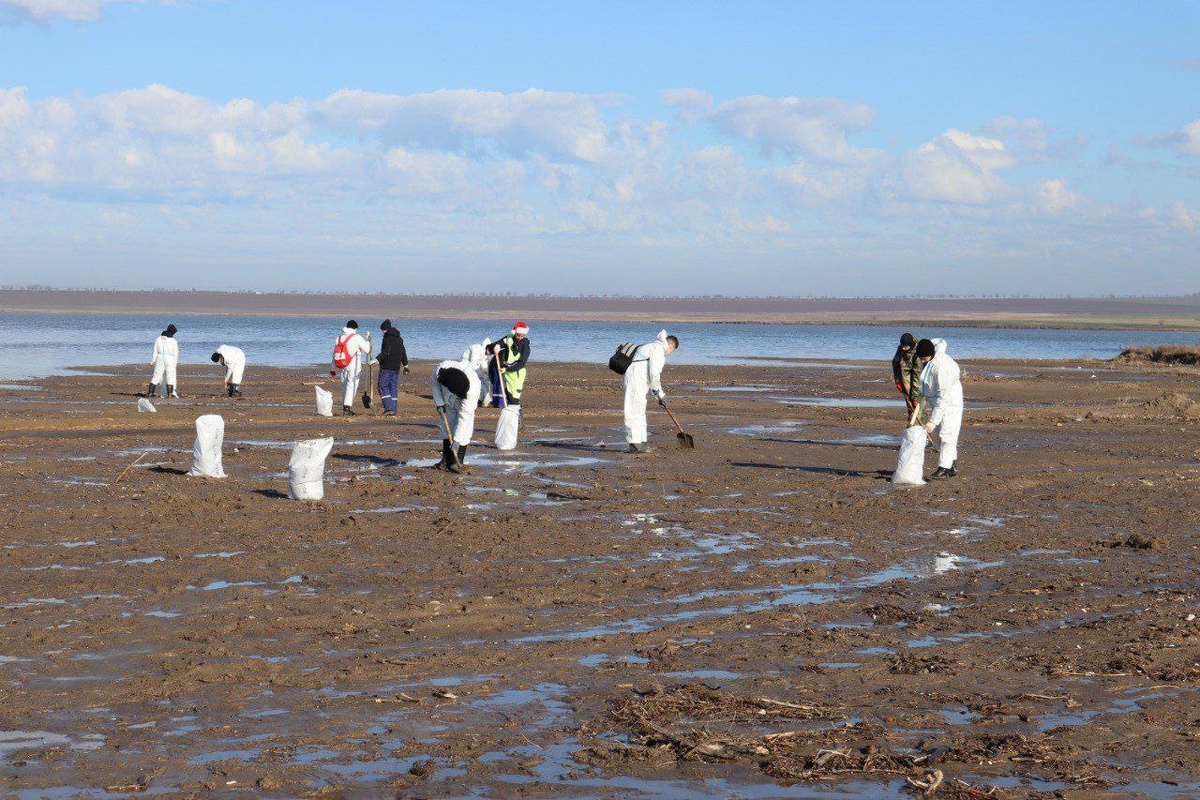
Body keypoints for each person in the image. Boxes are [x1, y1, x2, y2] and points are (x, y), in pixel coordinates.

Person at [430, 341, 490, 472]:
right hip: (448, 398)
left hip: (466, 398)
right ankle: (446, 460)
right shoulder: (442, 370)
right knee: (447, 425)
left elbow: (465, 418)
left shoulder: (474, 387)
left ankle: (458, 461)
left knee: (465, 428)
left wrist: (457, 440)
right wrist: (439, 403)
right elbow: (433, 384)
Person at [623, 330, 679, 453]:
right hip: (635, 381)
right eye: (673, 351)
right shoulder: (658, 349)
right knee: (633, 410)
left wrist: (658, 394)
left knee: (640, 410)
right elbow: (654, 374)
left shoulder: (652, 346)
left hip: (639, 382)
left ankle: (641, 440)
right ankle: (635, 442)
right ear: (670, 347)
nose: (671, 353)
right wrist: (659, 395)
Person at [917, 337, 963, 479]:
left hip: (950, 400)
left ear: (931, 354)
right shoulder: (928, 360)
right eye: (921, 358)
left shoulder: (941, 367)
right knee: (941, 434)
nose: (923, 361)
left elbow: (943, 397)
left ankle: (944, 467)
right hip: (936, 400)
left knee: (947, 433)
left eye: (925, 358)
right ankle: (952, 465)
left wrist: (933, 421)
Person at [330, 320, 371, 416]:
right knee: (351, 385)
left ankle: (344, 406)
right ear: (355, 328)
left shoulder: (339, 338)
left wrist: (332, 368)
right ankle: (347, 407)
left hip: (342, 365)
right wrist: (368, 340)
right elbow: (367, 350)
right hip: (353, 365)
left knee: (345, 385)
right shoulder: (357, 337)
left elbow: (335, 353)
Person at [487, 321, 531, 407]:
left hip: (517, 374)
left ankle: (515, 415)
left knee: (514, 398)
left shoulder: (525, 346)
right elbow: (494, 345)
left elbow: (522, 363)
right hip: (507, 373)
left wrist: (507, 368)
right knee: (508, 394)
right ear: (514, 332)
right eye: (518, 335)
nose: (520, 337)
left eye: (523, 335)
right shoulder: (508, 338)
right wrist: (496, 347)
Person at [373, 319, 409, 416]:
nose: (382, 332)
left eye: (383, 330)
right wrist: (406, 365)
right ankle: (393, 408)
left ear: (385, 330)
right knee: (392, 387)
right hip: (396, 367)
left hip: (386, 367)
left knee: (382, 385)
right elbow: (403, 352)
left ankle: (388, 408)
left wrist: (376, 359)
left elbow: (386, 351)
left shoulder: (387, 338)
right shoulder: (399, 338)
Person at [891, 332, 927, 424]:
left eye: (905, 347)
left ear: (911, 345)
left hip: (918, 381)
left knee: (918, 407)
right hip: (904, 378)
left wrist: (914, 397)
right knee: (910, 406)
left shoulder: (917, 354)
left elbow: (916, 377)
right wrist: (898, 381)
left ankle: (921, 428)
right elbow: (895, 362)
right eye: (902, 346)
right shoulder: (901, 349)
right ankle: (911, 425)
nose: (903, 348)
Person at [148, 324, 179, 399]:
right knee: (170, 377)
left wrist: (152, 361)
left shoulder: (159, 339)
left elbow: (155, 351)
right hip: (170, 358)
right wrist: (175, 363)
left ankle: (150, 393)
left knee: (156, 376)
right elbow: (176, 353)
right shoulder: (173, 341)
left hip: (160, 357)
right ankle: (170, 395)